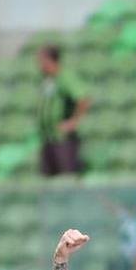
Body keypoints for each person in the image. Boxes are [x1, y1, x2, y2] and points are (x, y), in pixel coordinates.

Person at [37, 44, 91, 177]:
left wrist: (73, 121)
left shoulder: (64, 76)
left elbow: (83, 98)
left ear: (50, 60)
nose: (39, 65)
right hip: (48, 138)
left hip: (63, 140)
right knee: (48, 181)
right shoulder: (48, 80)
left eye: (41, 61)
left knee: (67, 178)